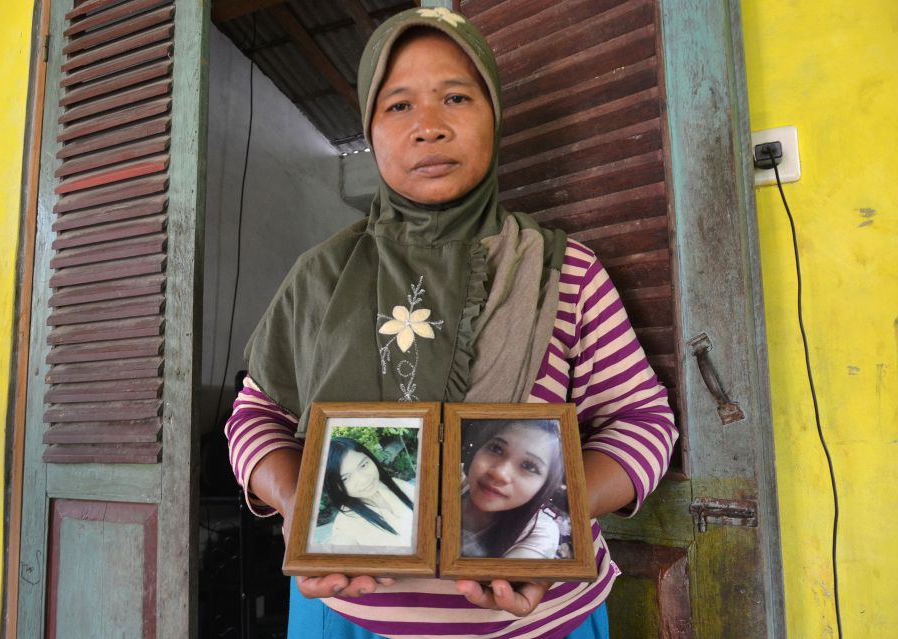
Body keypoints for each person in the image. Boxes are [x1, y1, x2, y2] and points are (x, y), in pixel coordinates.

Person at [225, 7, 678, 638]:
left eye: (457, 98)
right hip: (346, 620)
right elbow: (256, 417)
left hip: (542, 623)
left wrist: (554, 516)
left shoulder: (562, 270)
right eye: (399, 106)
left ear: (494, 117)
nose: (428, 128)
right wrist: (306, 504)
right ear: (370, 130)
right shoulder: (320, 276)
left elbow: (643, 421)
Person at [460, 420, 564, 559]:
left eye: (529, 466)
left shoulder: (541, 532)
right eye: (496, 449)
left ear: (544, 485)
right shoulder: (450, 477)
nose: (499, 474)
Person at [317, 437, 414, 550]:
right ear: (334, 486)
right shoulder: (346, 528)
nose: (364, 480)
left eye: (363, 465)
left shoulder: (395, 484)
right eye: (345, 478)